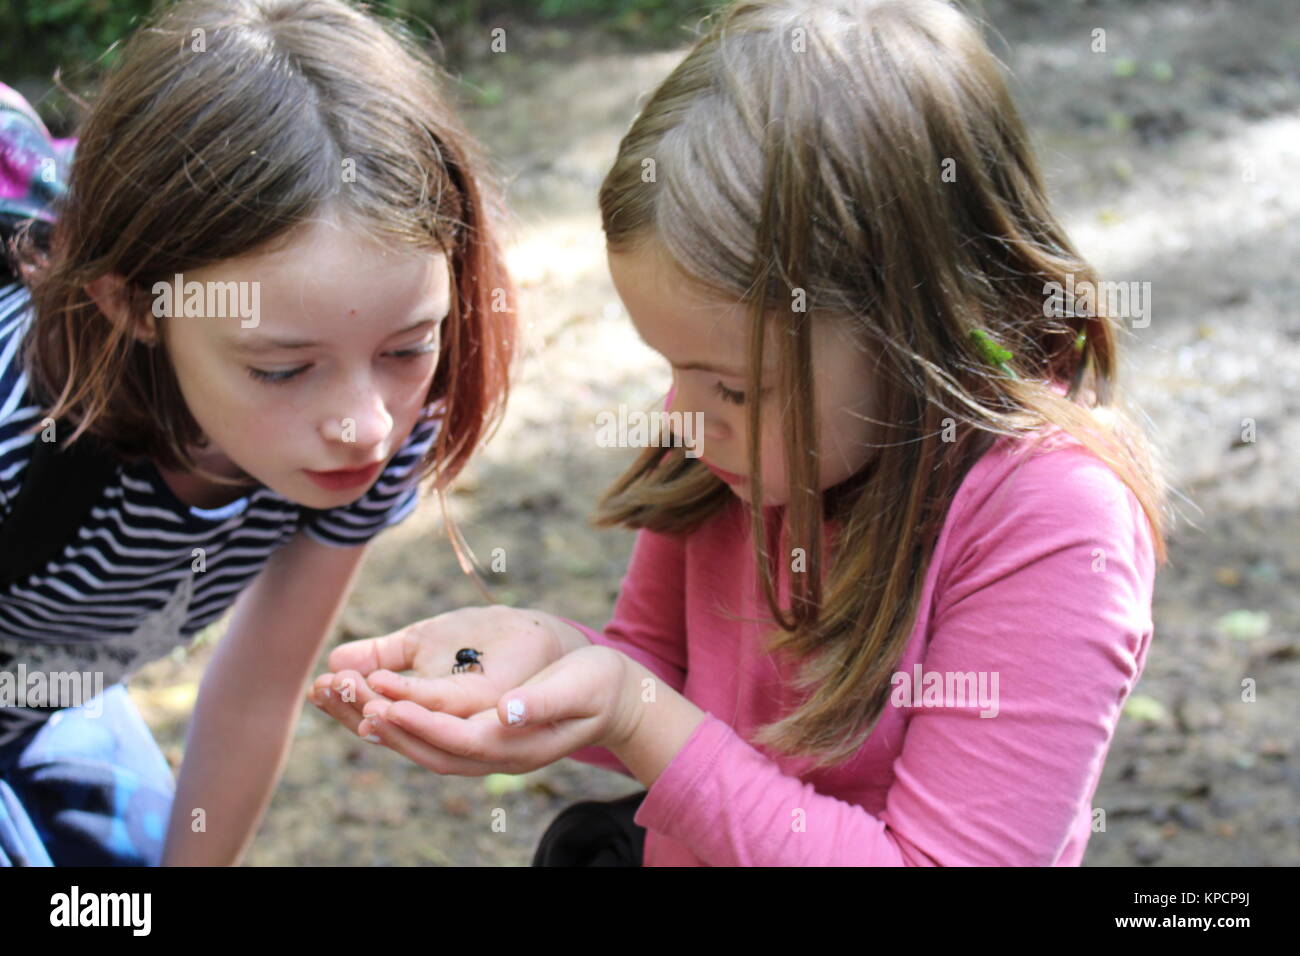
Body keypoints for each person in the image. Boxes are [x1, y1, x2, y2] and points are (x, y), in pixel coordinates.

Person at [311, 0, 1170, 866]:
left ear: (914, 337)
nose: (681, 417)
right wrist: (553, 662)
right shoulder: (729, 448)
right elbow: (666, 678)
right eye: (668, 365)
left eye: (732, 385)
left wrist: (632, 711)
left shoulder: (1053, 521)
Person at [0, 0, 514, 866]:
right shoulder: (25, 433)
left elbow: (258, 690)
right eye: (281, 368)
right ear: (134, 306)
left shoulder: (389, 417)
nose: (364, 427)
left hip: (51, 695)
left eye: (408, 345)